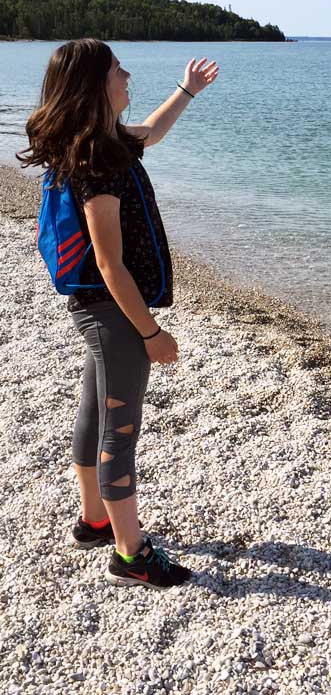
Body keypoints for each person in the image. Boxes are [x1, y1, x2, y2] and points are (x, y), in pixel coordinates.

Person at [17, 38, 219, 590]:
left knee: (95, 414)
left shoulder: (94, 144)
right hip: (112, 311)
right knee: (120, 431)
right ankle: (131, 555)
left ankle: (95, 520)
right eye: (116, 70)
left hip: (96, 311)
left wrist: (187, 91)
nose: (127, 75)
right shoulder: (96, 163)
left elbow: (151, 131)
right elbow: (109, 263)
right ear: (93, 86)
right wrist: (151, 332)